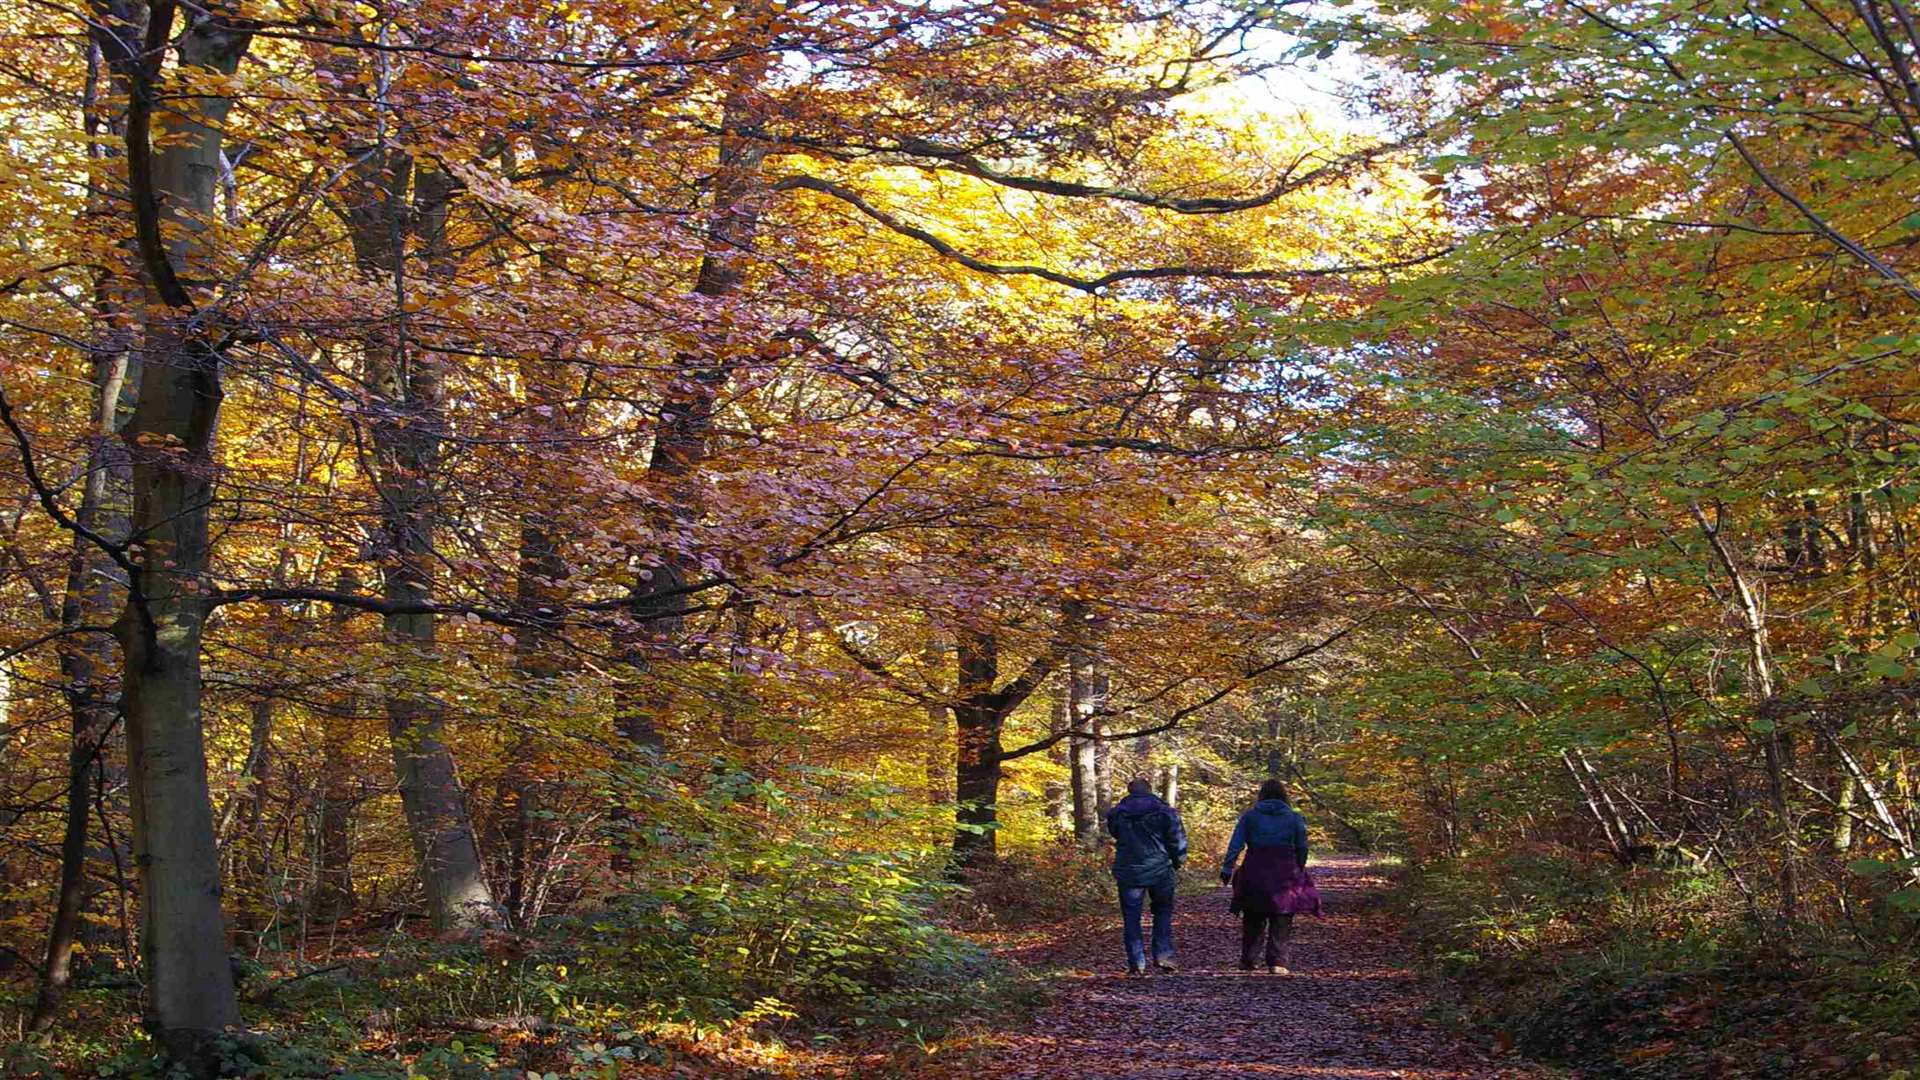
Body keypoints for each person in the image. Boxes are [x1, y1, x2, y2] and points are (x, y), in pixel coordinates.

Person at [1219, 778, 1320, 974]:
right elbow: (1302, 847)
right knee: (1282, 915)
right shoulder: (1294, 817)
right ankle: (1278, 962)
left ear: (1261, 795)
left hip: (1255, 867)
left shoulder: (1250, 816)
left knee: (1253, 915)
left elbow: (1236, 844)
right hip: (1285, 869)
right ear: (1284, 796)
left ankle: (1249, 959)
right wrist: (1299, 866)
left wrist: (1227, 868)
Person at [1105, 777, 1188, 976]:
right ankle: (1163, 956)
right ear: (1150, 790)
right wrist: (1178, 861)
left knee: (1131, 917)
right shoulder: (1166, 812)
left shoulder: (1117, 813)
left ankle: (1137, 962)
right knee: (1162, 912)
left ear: (1130, 791)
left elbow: (1115, 834)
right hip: (1160, 869)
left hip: (1129, 870)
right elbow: (1177, 839)